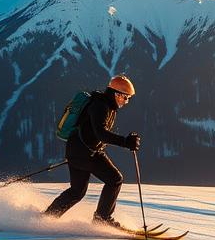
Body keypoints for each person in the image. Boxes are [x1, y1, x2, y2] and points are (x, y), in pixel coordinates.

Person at [44, 74, 143, 229]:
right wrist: (125, 142)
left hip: (77, 151)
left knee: (76, 192)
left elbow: (96, 134)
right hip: (85, 153)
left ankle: (46, 219)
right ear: (117, 94)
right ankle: (102, 219)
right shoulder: (100, 106)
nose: (126, 101)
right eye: (126, 97)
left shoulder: (105, 105)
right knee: (115, 179)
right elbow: (101, 133)